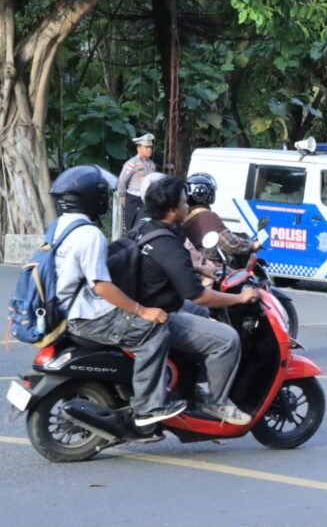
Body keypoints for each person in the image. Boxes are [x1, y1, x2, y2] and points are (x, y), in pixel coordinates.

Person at [49, 165, 184, 427]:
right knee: (156, 328)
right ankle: (149, 406)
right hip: (87, 316)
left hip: (63, 308)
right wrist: (142, 311)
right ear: (91, 197)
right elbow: (101, 286)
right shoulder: (89, 235)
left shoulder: (59, 226)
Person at [135, 176, 261, 425]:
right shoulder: (169, 243)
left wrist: (200, 270)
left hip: (151, 299)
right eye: (183, 203)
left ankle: (187, 385)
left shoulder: (147, 228)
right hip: (160, 312)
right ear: (172, 210)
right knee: (227, 339)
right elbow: (200, 295)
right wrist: (239, 298)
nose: (187, 207)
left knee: (202, 316)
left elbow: (167, 266)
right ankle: (216, 403)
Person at [182, 173, 261, 263]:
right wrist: (252, 245)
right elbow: (229, 243)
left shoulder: (185, 215)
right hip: (206, 267)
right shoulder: (206, 216)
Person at [119, 133, 157, 232]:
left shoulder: (151, 164)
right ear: (139, 148)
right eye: (146, 147)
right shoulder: (132, 163)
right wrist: (122, 195)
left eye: (150, 147)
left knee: (146, 225)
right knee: (131, 226)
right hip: (134, 199)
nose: (149, 149)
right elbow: (122, 180)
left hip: (146, 199)